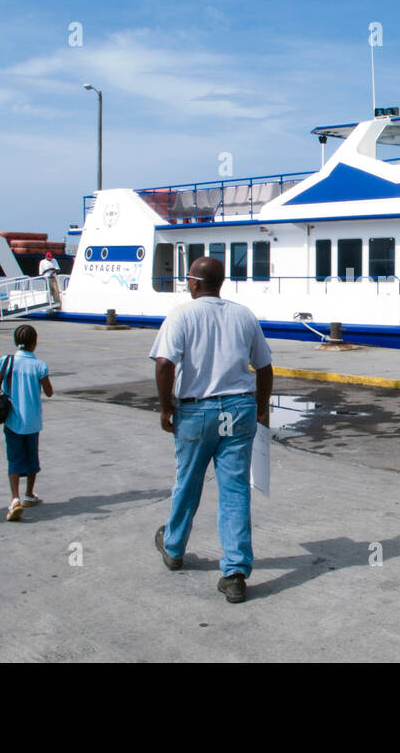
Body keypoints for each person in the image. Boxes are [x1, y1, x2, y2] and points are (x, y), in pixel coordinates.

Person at [150, 256, 272, 604]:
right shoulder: (243, 314)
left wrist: (166, 407)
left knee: (187, 481)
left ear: (193, 282)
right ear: (221, 282)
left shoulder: (182, 315)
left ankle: (173, 548)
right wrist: (261, 408)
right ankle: (234, 572)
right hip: (239, 408)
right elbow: (264, 366)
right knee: (234, 489)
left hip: (197, 410)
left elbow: (164, 363)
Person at [0, 325, 52, 522]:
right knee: (32, 458)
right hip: (33, 421)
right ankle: (29, 494)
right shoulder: (40, 365)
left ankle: (14, 498)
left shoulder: (6, 361)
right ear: (34, 342)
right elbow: (49, 391)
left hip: (12, 420)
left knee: (14, 458)